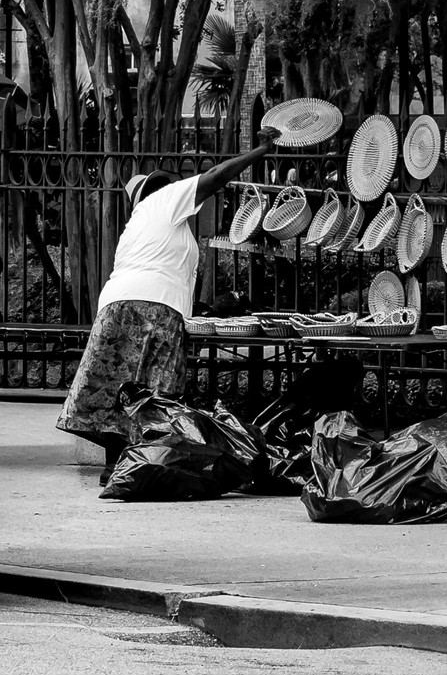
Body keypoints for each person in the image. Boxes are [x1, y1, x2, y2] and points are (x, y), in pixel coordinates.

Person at [56, 125, 282, 484]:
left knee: (121, 392)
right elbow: (216, 177)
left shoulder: (147, 226)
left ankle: (118, 468)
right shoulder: (162, 202)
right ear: (152, 192)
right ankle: (133, 469)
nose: (175, 188)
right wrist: (262, 150)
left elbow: (167, 274)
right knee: (155, 393)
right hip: (149, 311)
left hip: (121, 306)